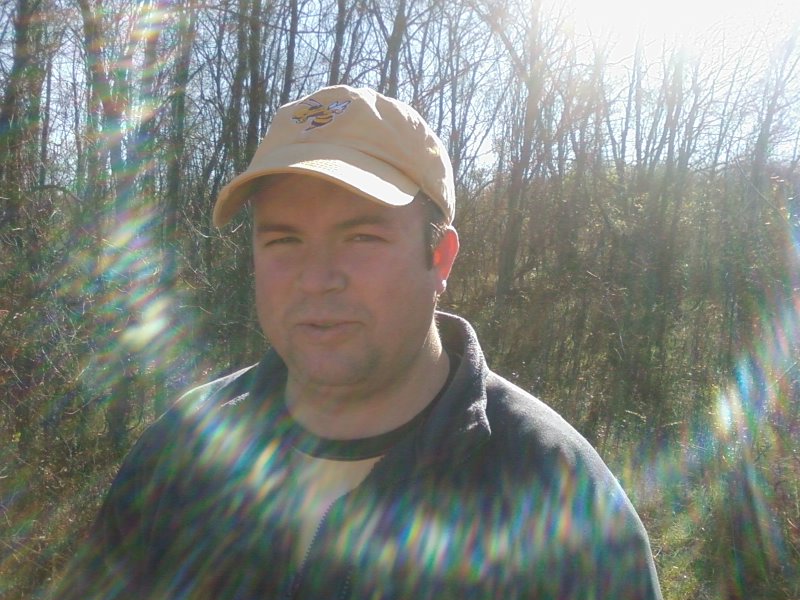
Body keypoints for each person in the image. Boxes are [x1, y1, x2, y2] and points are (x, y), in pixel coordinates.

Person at [52, 85, 662, 599]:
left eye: (361, 238)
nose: (317, 278)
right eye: (284, 240)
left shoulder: (556, 491)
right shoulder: (181, 450)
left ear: (440, 257)